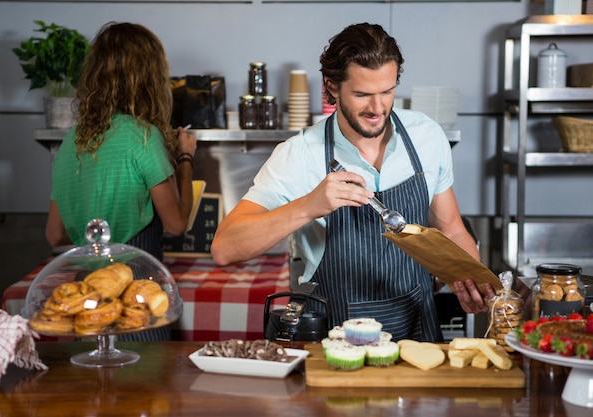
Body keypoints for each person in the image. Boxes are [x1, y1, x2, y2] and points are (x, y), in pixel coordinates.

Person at [211, 23, 496, 342]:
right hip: (335, 339)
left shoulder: (426, 136)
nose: (377, 109)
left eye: (387, 92)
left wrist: (473, 280)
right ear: (331, 87)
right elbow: (225, 248)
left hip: (417, 333)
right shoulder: (300, 154)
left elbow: (452, 228)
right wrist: (308, 206)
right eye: (362, 95)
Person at [45, 22, 197, 341]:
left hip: (87, 299)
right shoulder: (143, 136)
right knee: (143, 386)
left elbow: (54, 234)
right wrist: (185, 158)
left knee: (92, 385)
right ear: (150, 78)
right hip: (137, 296)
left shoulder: (73, 140)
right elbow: (176, 223)